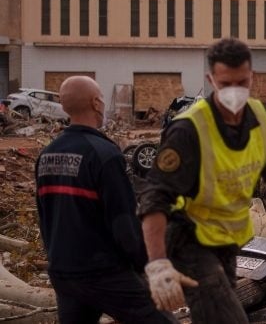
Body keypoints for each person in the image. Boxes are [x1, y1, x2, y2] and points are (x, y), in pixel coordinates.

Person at [138, 39, 266, 322]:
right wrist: (158, 263)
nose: (234, 92)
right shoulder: (189, 129)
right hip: (187, 240)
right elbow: (154, 198)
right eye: (225, 84)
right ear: (211, 79)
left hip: (228, 242)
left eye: (241, 82)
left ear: (252, 78)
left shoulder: (264, 121)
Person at [35, 76, 171, 324]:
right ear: (96, 103)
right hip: (103, 274)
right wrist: (147, 265)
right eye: (101, 99)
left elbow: (45, 217)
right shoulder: (104, 154)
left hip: (63, 272)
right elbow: (124, 225)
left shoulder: (46, 155)